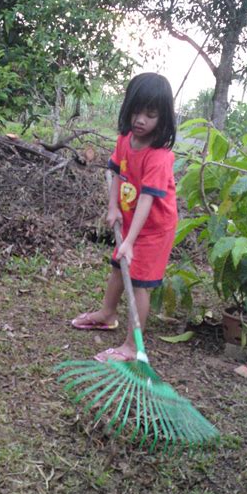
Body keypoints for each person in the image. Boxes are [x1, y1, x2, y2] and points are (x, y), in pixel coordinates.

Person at [71, 72, 178, 362]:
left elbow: (147, 199)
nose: (140, 120)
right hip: (130, 220)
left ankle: (133, 346)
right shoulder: (125, 140)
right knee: (119, 267)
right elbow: (116, 172)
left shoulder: (159, 156)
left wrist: (130, 240)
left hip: (154, 229)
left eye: (150, 114)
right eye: (136, 111)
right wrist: (113, 207)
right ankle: (107, 314)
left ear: (163, 118)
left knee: (139, 281)